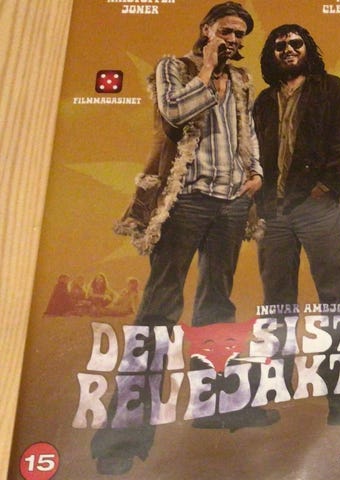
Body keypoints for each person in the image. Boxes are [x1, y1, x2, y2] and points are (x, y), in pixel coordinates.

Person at [93, 3, 265, 474]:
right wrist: (206, 69)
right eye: (226, 31)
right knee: (159, 309)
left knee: (217, 306)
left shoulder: (242, 79)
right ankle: (124, 437)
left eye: (240, 35)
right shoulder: (174, 67)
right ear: (207, 29)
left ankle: (217, 408)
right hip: (186, 201)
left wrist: (255, 172)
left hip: (231, 203)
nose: (234, 40)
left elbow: (247, 129)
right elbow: (173, 114)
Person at [253, 24, 340, 425]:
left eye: (295, 43)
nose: (288, 50)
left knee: (339, 299)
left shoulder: (331, 89)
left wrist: (327, 187)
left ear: (307, 48)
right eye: (279, 46)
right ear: (271, 54)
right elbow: (252, 153)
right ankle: (274, 388)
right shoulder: (264, 101)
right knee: (276, 301)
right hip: (273, 211)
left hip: (317, 206)